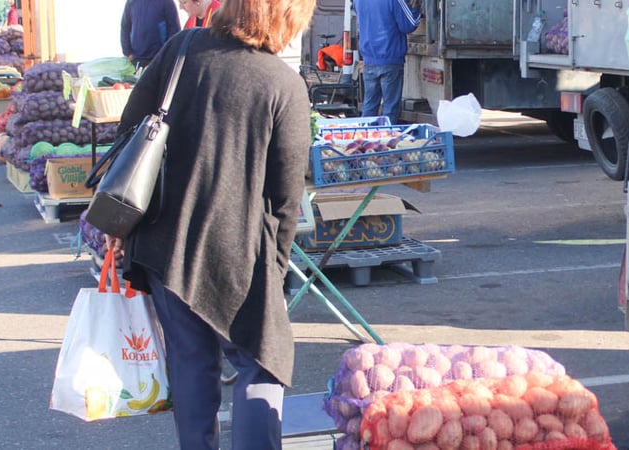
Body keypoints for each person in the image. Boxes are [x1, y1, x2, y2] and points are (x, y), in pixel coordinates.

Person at [102, 0, 315, 447]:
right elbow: (284, 199)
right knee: (261, 363)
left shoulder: (181, 50)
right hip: (238, 252)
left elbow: (129, 133)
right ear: (287, 16)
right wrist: (273, 274)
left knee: (191, 364)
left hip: (165, 242)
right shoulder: (285, 84)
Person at [353, 0, 421, 121]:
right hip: (390, 59)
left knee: (369, 107)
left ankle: (366, 137)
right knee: (390, 110)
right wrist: (417, 9)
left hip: (369, 60)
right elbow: (409, 24)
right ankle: (387, 137)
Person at [120, 0, 181, 69]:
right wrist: (128, 52)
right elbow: (125, 27)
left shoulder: (166, 2)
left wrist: (168, 54)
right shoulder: (131, 2)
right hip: (137, 58)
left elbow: (174, 29)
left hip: (159, 57)